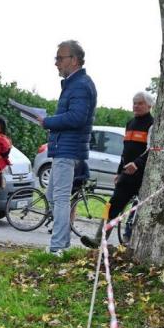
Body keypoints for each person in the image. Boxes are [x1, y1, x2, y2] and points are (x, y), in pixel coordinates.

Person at [37, 40, 97, 256]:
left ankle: (58, 246)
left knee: (60, 197)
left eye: (60, 58)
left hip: (68, 150)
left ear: (74, 60)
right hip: (65, 149)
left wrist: (48, 122)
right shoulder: (75, 84)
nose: (56, 63)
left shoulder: (80, 85)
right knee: (53, 196)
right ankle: (60, 242)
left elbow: (77, 117)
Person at [81, 91, 155, 248]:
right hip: (127, 176)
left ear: (149, 105)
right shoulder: (130, 123)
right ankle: (98, 240)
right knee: (113, 205)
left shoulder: (153, 124)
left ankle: (132, 242)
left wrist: (137, 163)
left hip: (144, 175)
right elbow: (125, 152)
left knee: (140, 210)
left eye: (140, 103)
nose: (136, 106)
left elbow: (152, 149)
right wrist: (118, 172)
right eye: (134, 103)